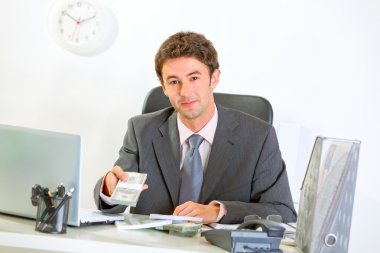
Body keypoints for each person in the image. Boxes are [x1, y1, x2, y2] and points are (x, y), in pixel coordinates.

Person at [94, 31, 297, 224]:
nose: (185, 91)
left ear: (214, 78)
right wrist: (110, 189)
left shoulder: (258, 136)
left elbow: (282, 211)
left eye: (194, 78)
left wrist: (218, 212)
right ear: (164, 87)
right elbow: (116, 202)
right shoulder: (141, 130)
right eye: (174, 82)